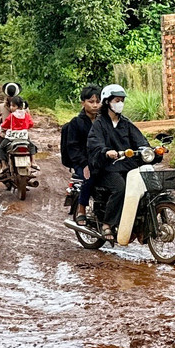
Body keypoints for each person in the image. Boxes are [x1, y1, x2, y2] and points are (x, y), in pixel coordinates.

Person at [86, 84, 150, 239]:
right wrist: (106, 151)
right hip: (106, 168)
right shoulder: (99, 124)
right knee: (120, 188)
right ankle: (107, 223)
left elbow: (140, 141)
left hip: (127, 166)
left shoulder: (126, 123)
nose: (120, 103)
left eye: (122, 100)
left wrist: (151, 150)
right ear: (107, 102)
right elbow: (95, 143)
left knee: (146, 187)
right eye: (117, 100)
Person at [61, 84, 101, 225]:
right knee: (89, 177)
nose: (95, 105)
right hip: (83, 162)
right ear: (83, 103)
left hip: (101, 160)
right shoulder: (76, 123)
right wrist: (84, 163)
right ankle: (81, 209)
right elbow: (73, 147)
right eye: (91, 102)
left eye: (98, 101)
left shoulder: (104, 121)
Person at [0, 96, 34, 175]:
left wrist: (3, 126)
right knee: (32, 146)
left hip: (12, 138)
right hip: (23, 137)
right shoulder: (26, 114)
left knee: (1, 148)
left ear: (18, 106)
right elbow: (31, 124)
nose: (11, 107)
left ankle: (4, 165)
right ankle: (33, 162)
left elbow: (5, 125)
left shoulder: (12, 115)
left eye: (13, 106)